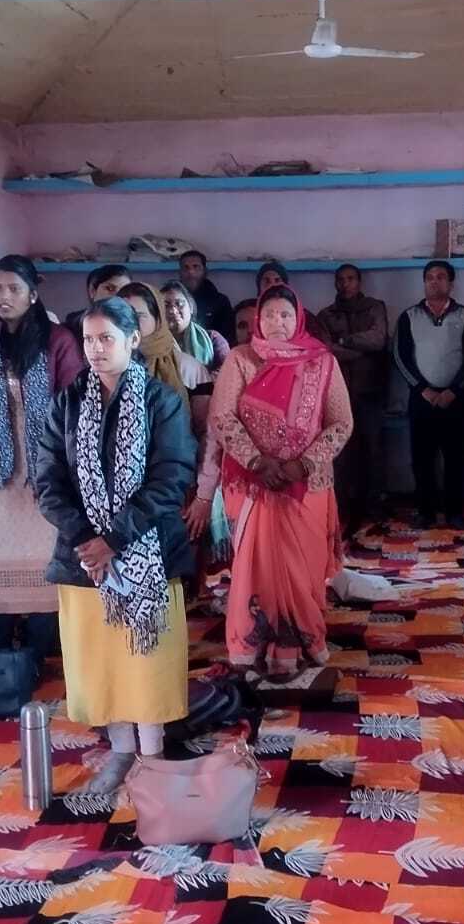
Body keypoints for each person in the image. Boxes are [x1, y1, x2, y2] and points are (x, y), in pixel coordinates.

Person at [36, 296, 195, 796]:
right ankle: (122, 751)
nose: (96, 349)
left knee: (146, 662)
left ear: (132, 340)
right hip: (84, 560)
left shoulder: (161, 401)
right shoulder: (67, 402)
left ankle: (153, 756)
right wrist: (87, 539)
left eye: (106, 338)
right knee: (103, 661)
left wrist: (115, 538)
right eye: (88, 339)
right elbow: (47, 482)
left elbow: (172, 478)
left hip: (148, 554)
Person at [0, 255, 84, 667]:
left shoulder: (57, 339)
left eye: (13, 289)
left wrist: (63, 464)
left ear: (33, 294)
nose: (4, 297)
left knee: (43, 560)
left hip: (43, 469)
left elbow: (76, 404)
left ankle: (38, 653)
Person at [212, 286, 353, 676]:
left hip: (308, 485)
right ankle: (258, 647)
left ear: (298, 318)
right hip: (256, 484)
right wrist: (258, 462)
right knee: (259, 569)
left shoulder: (322, 362)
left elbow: (342, 423)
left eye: (285, 315)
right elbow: (222, 417)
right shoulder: (241, 359)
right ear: (259, 319)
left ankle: (303, 643)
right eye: (270, 315)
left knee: (303, 570)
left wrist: (304, 464)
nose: (278, 322)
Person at [394, 260, 464, 528]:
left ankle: (455, 512)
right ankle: (425, 512)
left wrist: (454, 391)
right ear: (424, 282)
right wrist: (423, 390)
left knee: (457, 458)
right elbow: (400, 357)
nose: (435, 281)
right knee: (422, 459)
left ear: (451, 283)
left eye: (441, 277)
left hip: (456, 400)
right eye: (430, 277)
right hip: (422, 399)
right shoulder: (409, 316)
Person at [317, 263, 390, 534]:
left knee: (374, 450)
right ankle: (343, 507)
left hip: (371, 390)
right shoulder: (326, 315)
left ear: (359, 282)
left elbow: (378, 340)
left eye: (350, 279)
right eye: (341, 279)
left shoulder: (374, 308)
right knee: (342, 454)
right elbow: (325, 350)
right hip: (339, 393)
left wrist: (344, 342)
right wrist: (359, 350)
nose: (345, 284)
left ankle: (375, 507)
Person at [119, 282, 209, 401]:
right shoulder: (106, 368)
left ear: (158, 319)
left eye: (138, 316)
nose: (128, 323)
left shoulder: (190, 369)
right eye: (121, 316)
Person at [160, 279, 231, 374]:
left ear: (191, 308)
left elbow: (227, 371)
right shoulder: (153, 344)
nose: (173, 310)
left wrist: (198, 378)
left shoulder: (213, 339)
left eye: (179, 304)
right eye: (166, 305)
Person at [64, 264, 132, 344]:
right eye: (110, 289)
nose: (117, 297)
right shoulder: (70, 331)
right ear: (92, 291)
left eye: (124, 291)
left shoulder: (133, 327)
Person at [178, 250, 234, 340]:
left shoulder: (220, 301)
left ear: (205, 271)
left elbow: (227, 337)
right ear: (180, 272)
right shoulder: (169, 301)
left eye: (196, 267)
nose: (191, 272)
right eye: (185, 267)